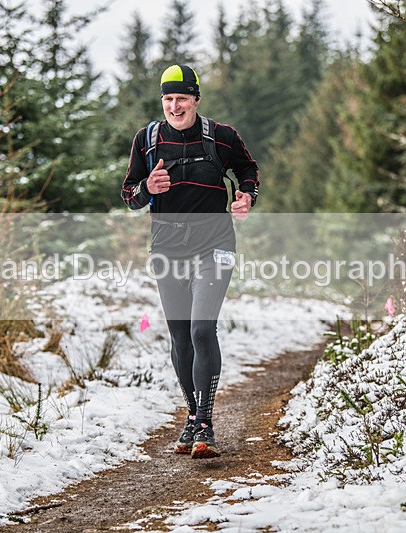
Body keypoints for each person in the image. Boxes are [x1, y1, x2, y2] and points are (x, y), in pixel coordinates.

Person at [121, 64, 259, 459]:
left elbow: (247, 169)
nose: (174, 106)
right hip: (167, 251)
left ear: (196, 99)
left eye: (182, 98)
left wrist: (246, 196)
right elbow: (128, 194)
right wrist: (147, 188)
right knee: (180, 337)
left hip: (214, 246)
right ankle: (192, 415)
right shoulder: (147, 140)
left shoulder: (221, 136)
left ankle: (205, 422)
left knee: (201, 330)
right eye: (168, 99)